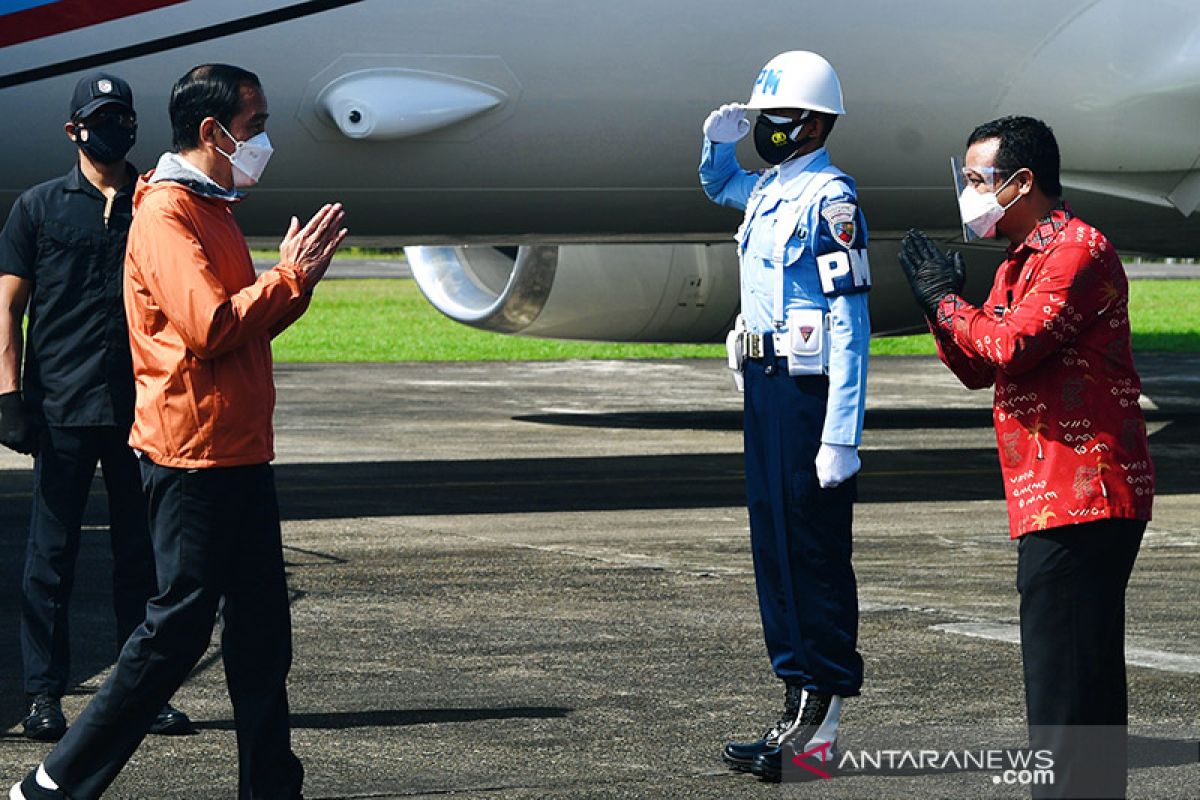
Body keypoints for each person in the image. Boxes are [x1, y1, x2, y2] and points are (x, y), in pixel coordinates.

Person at [8, 63, 347, 800]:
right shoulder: (165, 215)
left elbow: (244, 328)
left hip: (241, 449)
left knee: (262, 641)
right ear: (211, 131)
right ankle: (55, 783)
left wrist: (298, 284)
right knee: (170, 639)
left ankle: (271, 788)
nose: (262, 140)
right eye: (254, 126)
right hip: (194, 457)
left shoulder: (214, 206)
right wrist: (286, 278)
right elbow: (210, 326)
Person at [898, 115, 1155, 799]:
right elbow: (980, 367)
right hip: (1053, 497)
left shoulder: (1075, 249)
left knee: (1065, 683)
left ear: (1022, 182)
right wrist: (937, 308)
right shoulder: (1021, 260)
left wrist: (948, 303)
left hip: (1082, 495)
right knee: (1080, 677)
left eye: (979, 180)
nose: (970, 193)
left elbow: (1012, 345)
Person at [0, 72, 193, 743]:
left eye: (122, 117)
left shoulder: (159, 206)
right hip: (60, 410)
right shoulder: (40, 207)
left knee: (143, 563)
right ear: (73, 129)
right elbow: (7, 308)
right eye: (99, 117)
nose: (114, 128)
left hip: (140, 411)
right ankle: (43, 696)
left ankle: (145, 694)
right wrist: (8, 399)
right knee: (49, 561)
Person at [699, 51, 870, 783]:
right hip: (763, 381)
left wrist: (842, 433)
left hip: (809, 392)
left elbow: (850, 325)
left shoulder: (832, 202)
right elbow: (718, 185)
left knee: (812, 548)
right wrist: (716, 140)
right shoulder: (770, 189)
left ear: (814, 122)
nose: (765, 129)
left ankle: (820, 722)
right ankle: (794, 698)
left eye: (775, 118)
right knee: (772, 543)